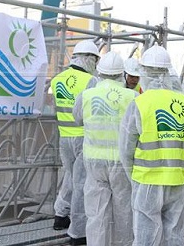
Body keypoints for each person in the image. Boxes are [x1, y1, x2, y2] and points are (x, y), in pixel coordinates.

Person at [119, 45, 184, 246]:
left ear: (144, 72)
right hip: (178, 182)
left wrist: (134, 178)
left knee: (146, 239)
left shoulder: (140, 103)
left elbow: (126, 148)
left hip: (147, 182)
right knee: (176, 237)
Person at [73, 52, 137, 246]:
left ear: (99, 72)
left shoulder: (86, 95)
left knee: (96, 213)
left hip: (94, 162)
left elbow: (77, 119)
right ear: (122, 74)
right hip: (122, 163)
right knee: (124, 212)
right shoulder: (132, 96)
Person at [50, 40, 100, 243]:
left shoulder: (57, 79)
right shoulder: (90, 81)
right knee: (81, 182)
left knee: (70, 176)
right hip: (82, 137)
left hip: (64, 136)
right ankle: (78, 231)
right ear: (88, 59)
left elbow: (56, 108)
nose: (96, 65)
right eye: (95, 61)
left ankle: (60, 215)